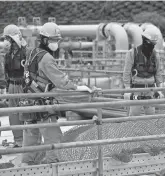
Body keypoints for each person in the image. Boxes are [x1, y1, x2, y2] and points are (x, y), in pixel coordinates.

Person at [20, 22, 98, 166]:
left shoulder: (31, 53)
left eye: (57, 40)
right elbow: (61, 81)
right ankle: (56, 169)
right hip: (42, 105)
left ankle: (26, 169)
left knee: (30, 141)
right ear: (44, 40)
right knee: (54, 140)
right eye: (53, 40)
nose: (56, 43)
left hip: (27, 103)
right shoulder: (47, 58)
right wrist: (80, 87)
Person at [123, 30, 164, 116]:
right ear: (144, 40)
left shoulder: (155, 55)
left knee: (151, 115)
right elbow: (126, 72)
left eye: (154, 44)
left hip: (150, 90)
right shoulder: (132, 53)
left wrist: (160, 89)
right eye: (150, 43)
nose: (152, 46)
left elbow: (158, 73)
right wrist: (127, 89)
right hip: (137, 90)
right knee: (134, 115)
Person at [1, 24, 27, 147]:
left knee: (25, 113)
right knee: (13, 115)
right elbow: (6, 73)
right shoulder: (7, 55)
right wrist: (6, 89)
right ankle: (18, 140)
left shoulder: (25, 53)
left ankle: (28, 140)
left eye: (7, 38)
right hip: (11, 86)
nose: (5, 41)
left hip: (23, 86)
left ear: (14, 39)